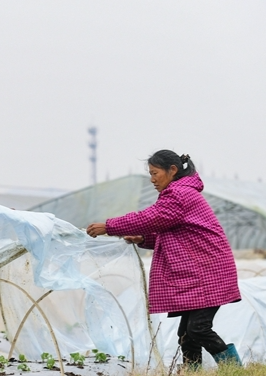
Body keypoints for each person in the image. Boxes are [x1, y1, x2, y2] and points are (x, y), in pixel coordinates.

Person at [86, 150, 242, 370]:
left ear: (173, 170)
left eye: (155, 173)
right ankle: (191, 371)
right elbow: (168, 232)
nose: (152, 179)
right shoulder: (181, 193)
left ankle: (234, 370)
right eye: (150, 174)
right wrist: (142, 238)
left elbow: (152, 218)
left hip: (209, 272)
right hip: (200, 271)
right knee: (186, 333)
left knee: (198, 328)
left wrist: (109, 226)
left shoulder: (179, 194)